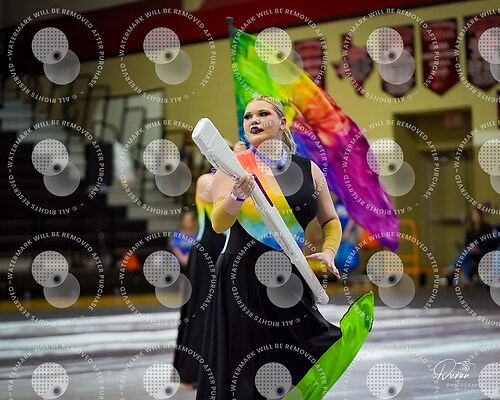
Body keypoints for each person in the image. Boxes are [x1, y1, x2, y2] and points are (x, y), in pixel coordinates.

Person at [195, 96, 374, 399]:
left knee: (300, 353)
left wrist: (329, 250)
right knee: (245, 366)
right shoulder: (232, 167)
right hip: (242, 279)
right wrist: (236, 196)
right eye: (248, 116)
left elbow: (330, 220)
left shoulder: (309, 169)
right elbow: (218, 224)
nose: (253, 120)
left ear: (282, 122)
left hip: (290, 279)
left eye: (262, 113)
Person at [173, 141, 244, 388]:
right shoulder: (206, 180)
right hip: (206, 252)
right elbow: (222, 199)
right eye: (225, 151)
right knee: (201, 310)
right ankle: (190, 371)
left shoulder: (237, 180)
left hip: (226, 250)